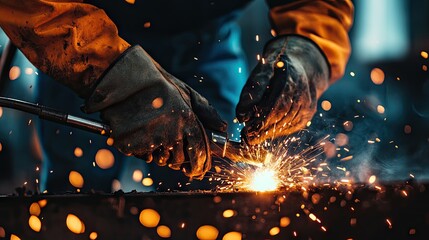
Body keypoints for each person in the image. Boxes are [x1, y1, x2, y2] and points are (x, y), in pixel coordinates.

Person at [0, 0, 353, 192]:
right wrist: (117, 80)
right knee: (77, 195)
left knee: (214, 190)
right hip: (79, 36)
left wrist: (309, 48)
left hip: (205, 44)